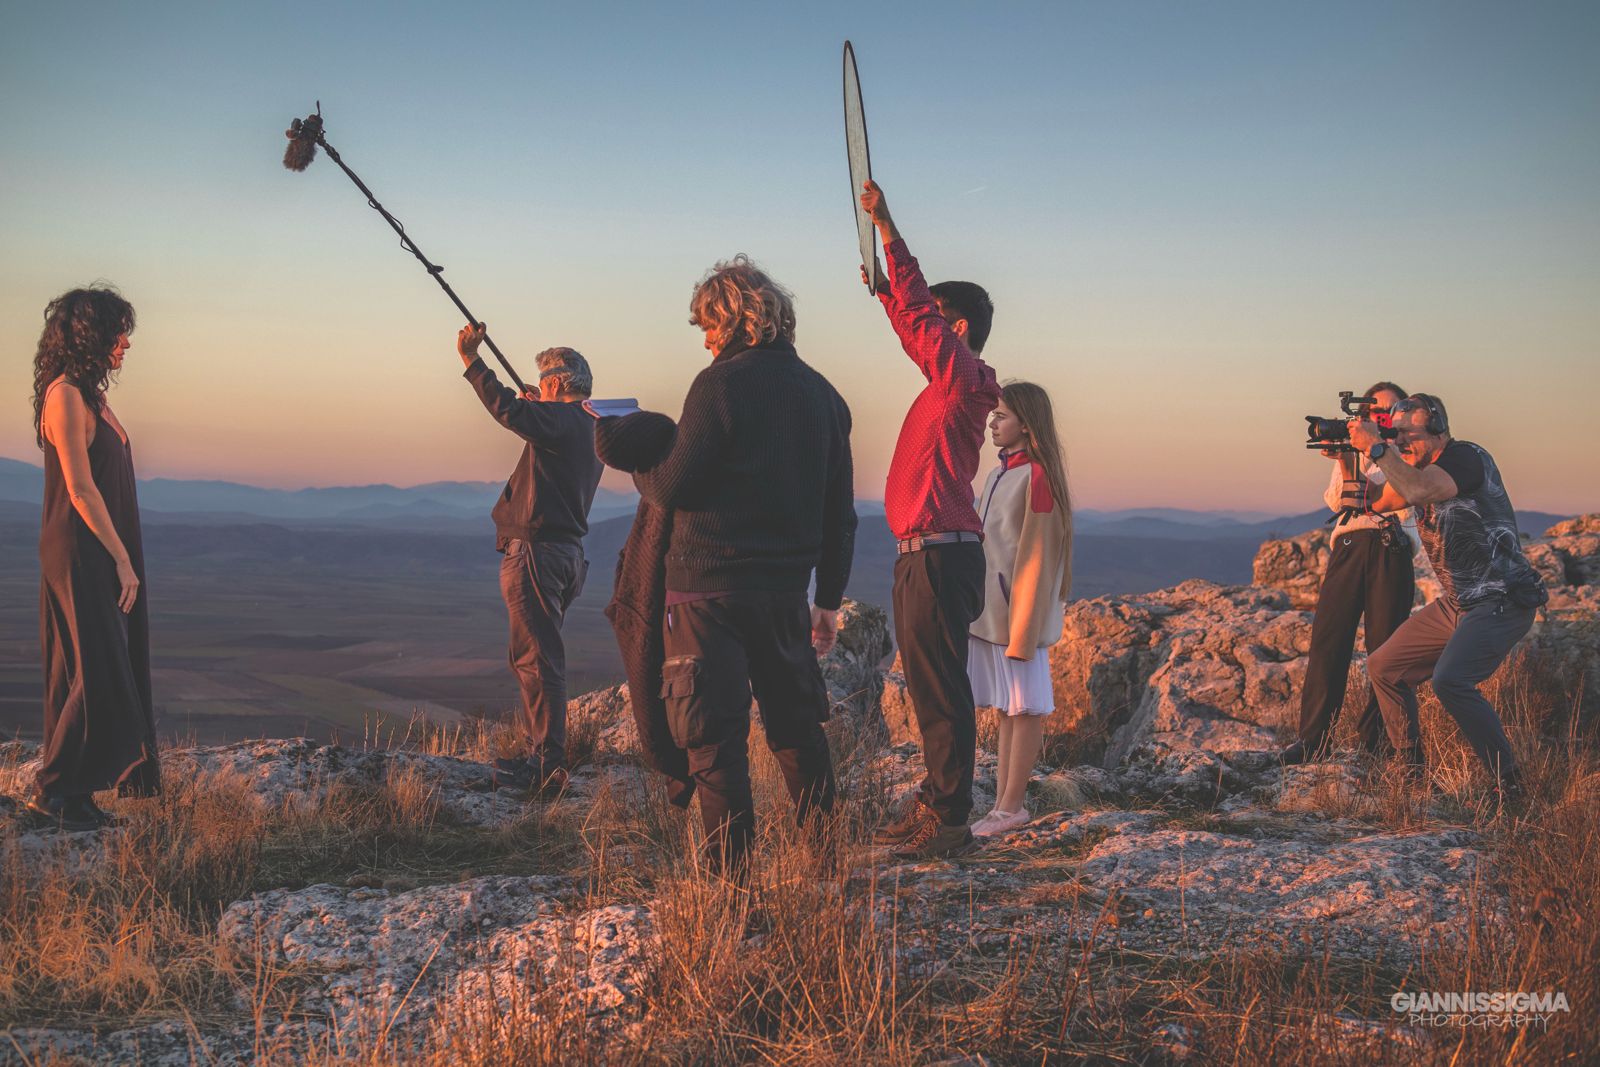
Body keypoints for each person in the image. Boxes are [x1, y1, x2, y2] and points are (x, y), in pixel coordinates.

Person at [632, 255, 855, 878]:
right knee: (797, 729)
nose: (704, 339)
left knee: (713, 738)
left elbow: (672, 484)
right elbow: (841, 515)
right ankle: (827, 863)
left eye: (707, 325)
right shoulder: (827, 398)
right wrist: (828, 599)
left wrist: (629, 452)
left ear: (732, 321)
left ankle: (733, 885)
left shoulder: (718, 386)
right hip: (785, 592)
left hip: (706, 593)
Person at [859, 179, 1002, 860]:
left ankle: (949, 818)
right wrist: (888, 295)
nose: (930, 331)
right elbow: (915, 326)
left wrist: (889, 229)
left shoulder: (962, 377)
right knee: (930, 684)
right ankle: (941, 801)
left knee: (941, 688)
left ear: (961, 329)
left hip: (939, 555)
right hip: (927, 553)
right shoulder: (951, 380)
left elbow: (923, 325)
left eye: (941, 321)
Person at [1352, 393, 1545, 798]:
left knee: (1451, 680)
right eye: (1395, 434)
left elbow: (1421, 491)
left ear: (1439, 430)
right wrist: (1345, 454)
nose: (1402, 442)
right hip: (1460, 604)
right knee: (1384, 667)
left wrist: (1377, 446)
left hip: (1502, 598)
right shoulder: (1413, 469)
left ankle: (1508, 781)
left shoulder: (1465, 458)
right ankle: (1411, 771)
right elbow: (1372, 501)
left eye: (1410, 434)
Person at [29, 286, 161, 830]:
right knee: (97, 667)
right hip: (80, 547)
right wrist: (122, 560)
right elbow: (81, 490)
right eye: (117, 332)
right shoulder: (63, 396)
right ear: (90, 335)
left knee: (83, 664)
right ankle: (55, 790)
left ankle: (76, 795)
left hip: (98, 544)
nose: (125, 343)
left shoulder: (89, 396)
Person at [457, 325, 603, 798]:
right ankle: (540, 756)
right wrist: (539, 406)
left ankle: (546, 766)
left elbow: (508, 410)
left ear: (558, 384)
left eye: (543, 382)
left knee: (538, 661)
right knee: (535, 658)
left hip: (538, 554)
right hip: (562, 554)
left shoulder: (562, 422)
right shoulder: (587, 424)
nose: (538, 387)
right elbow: (532, 416)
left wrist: (472, 361)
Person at [1281, 382, 1420, 765]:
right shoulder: (1357, 446)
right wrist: (1347, 460)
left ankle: (1374, 744)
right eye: (1372, 411)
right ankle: (1312, 740)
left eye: (1387, 411)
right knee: (1328, 642)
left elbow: (1391, 495)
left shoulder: (1407, 450)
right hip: (1348, 545)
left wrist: (1375, 450)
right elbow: (1337, 499)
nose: (1378, 417)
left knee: (1384, 650)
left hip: (1391, 547)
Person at [967, 382, 1073, 837]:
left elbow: (1039, 557)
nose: (992, 422)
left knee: (1025, 707)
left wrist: (1024, 630)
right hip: (991, 613)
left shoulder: (1038, 477)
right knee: (1007, 708)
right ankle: (1001, 806)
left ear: (1027, 426)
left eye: (1002, 415)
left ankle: (1011, 807)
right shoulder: (996, 476)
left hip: (1017, 617)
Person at [595, 411, 696, 810]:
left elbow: (607, 444)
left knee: (671, 705)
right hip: (677, 604)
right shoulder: (675, 472)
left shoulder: (665, 484)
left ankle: (686, 779)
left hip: (681, 608)